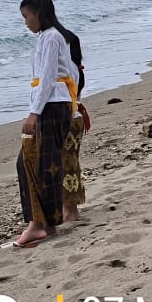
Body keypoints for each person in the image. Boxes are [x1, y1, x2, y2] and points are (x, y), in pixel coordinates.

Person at [14, 0, 80, 248]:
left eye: (27, 16)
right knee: (42, 164)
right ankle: (47, 223)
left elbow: (50, 77)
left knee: (34, 163)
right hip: (54, 105)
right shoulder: (49, 37)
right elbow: (71, 72)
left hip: (52, 106)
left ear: (39, 13)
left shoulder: (52, 37)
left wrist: (34, 112)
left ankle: (37, 224)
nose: (26, 22)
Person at [60, 38, 90, 224]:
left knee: (67, 165)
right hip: (77, 117)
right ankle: (71, 208)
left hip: (69, 118)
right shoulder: (77, 69)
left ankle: (70, 210)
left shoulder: (68, 69)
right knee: (71, 163)